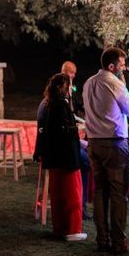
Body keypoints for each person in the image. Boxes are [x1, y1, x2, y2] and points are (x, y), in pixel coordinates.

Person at [83, 47, 129, 254]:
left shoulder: (88, 83)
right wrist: (123, 84)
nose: (123, 69)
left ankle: (102, 239)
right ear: (112, 66)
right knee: (117, 192)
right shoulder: (114, 83)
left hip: (94, 143)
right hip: (114, 144)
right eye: (122, 66)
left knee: (99, 191)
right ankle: (118, 241)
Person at [35, 73, 87, 241]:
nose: (70, 89)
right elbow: (63, 132)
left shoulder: (48, 103)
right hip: (66, 158)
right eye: (68, 86)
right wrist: (75, 129)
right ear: (61, 87)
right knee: (72, 194)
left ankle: (60, 227)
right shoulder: (60, 105)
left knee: (58, 196)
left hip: (53, 158)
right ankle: (72, 229)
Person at [61, 60, 91, 220]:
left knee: (87, 154)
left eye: (73, 74)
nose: (73, 77)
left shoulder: (69, 90)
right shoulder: (59, 98)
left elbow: (76, 105)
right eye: (70, 74)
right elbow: (63, 129)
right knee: (86, 160)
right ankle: (80, 205)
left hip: (68, 141)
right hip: (62, 147)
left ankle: (81, 203)